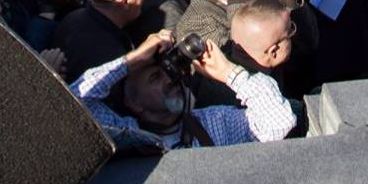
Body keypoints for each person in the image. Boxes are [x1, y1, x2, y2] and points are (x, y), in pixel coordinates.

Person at [69, 32, 295, 151]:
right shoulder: (125, 133)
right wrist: (134, 59)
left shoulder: (214, 123)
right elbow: (71, 103)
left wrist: (229, 72)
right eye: (155, 77)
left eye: (171, 71)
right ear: (133, 102)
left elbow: (279, 122)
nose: (171, 78)